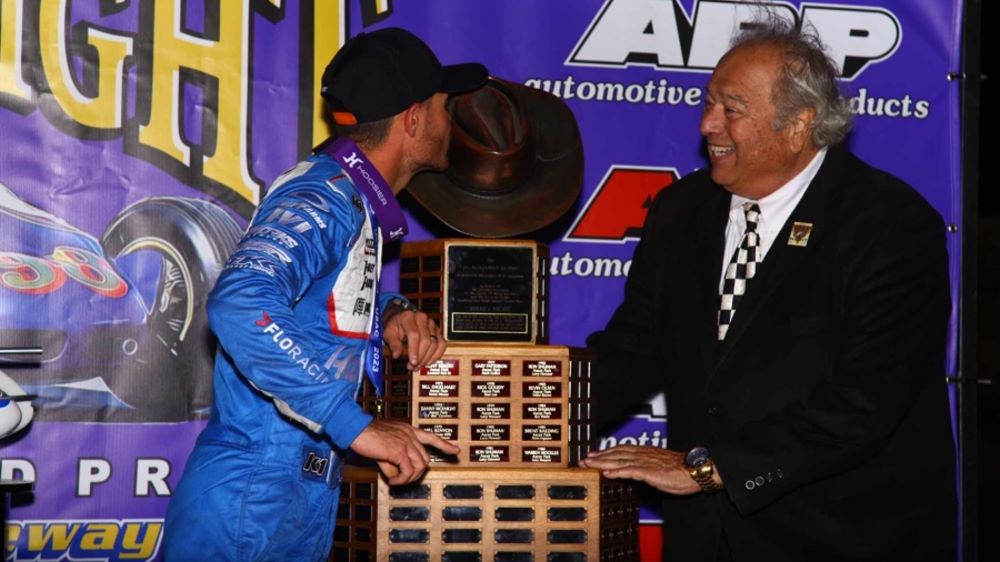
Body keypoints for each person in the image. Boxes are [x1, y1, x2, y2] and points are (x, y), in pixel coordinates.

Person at [580, 21, 956, 562]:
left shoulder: (888, 224)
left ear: (799, 125)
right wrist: (534, 420)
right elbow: (636, 347)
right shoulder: (680, 212)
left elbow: (865, 404)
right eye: (709, 102)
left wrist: (710, 469)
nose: (708, 123)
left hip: (839, 536)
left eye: (731, 108)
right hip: (706, 539)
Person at [163, 28, 487, 562]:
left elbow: (310, 303)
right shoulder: (325, 194)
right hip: (253, 497)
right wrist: (354, 425)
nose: (450, 121)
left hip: (289, 489)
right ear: (413, 119)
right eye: (443, 107)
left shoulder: (352, 200)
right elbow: (242, 302)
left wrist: (389, 311)